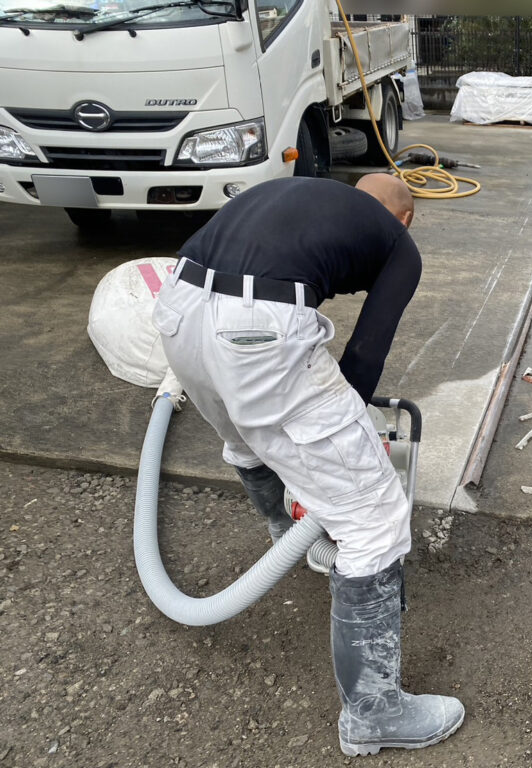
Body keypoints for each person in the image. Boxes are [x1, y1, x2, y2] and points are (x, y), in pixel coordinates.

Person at [152, 174, 464, 756]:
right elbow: (364, 359)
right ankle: (375, 711)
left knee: (249, 437)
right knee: (371, 515)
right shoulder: (397, 242)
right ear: (406, 218)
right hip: (256, 328)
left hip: (176, 306)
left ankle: (284, 534)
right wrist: (342, 451)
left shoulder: (299, 194)